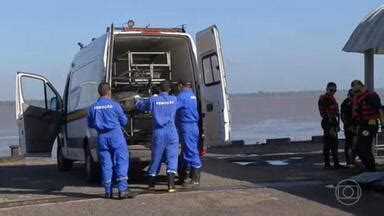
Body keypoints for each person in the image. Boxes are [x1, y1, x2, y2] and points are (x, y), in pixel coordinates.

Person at [87, 82, 136, 199]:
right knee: (121, 162)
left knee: (106, 165)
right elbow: (124, 121)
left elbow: (90, 124)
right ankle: (122, 190)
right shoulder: (115, 105)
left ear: (99, 93)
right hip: (116, 137)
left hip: (102, 138)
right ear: (109, 92)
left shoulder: (92, 108)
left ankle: (107, 191)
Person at [135, 81, 179, 192]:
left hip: (159, 132)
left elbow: (141, 107)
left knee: (156, 157)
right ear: (169, 89)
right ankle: (171, 186)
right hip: (172, 132)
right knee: (172, 157)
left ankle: (151, 185)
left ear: (159, 89)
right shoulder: (174, 99)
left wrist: (137, 100)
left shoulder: (153, 100)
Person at [176, 80, 202, 186]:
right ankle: (184, 177)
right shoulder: (193, 96)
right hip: (193, 126)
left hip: (186, 127)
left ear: (181, 86)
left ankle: (195, 179)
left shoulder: (182, 96)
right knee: (185, 152)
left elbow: (172, 107)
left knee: (191, 151)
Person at [351, 80, 381, 172]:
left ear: (363, 87)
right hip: (362, 125)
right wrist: (354, 126)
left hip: (370, 125)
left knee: (364, 148)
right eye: (354, 92)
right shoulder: (358, 98)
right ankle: (368, 168)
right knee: (358, 148)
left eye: (358, 91)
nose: (356, 93)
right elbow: (357, 115)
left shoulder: (371, 96)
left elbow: (380, 110)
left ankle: (371, 169)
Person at [318, 82, 343, 170]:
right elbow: (327, 113)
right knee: (328, 144)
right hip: (328, 122)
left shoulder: (331, 98)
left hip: (333, 121)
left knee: (334, 144)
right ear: (327, 89)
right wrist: (332, 126)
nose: (333, 92)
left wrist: (337, 125)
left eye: (334, 90)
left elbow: (335, 113)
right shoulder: (324, 99)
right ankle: (327, 164)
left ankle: (336, 163)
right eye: (331, 90)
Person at [341, 89, 356, 166]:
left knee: (355, 144)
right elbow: (343, 116)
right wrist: (349, 126)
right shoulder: (346, 103)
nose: (354, 98)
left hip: (356, 126)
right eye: (352, 96)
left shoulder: (357, 102)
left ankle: (353, 160)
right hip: (349, 126)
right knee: (349, 143)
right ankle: (349, 161)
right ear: (349, 95)